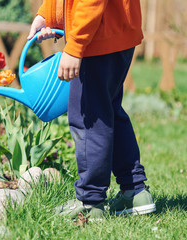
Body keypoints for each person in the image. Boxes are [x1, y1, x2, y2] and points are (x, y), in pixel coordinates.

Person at [27, 0, 156, 219]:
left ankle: (90, 202)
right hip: (115, 33)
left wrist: (75, 47)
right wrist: (48, 14)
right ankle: (134, 191)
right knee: (110, 112)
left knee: (89, 117)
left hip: (95, 39)